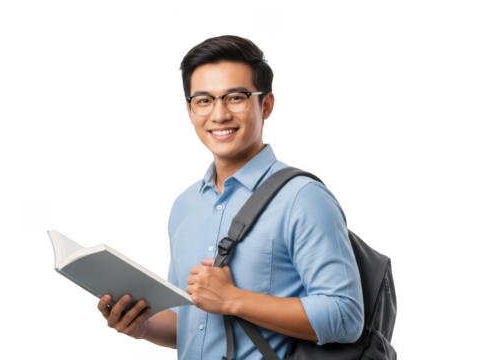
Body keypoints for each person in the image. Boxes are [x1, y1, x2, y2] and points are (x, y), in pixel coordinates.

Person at [97, 34, 364, 359]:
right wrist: (142, 326)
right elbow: (190, 320)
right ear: (190, 110)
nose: (219, 115)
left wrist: (233, 299)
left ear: (266, 104)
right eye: (204, 100)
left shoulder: (303, 198)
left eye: (235, 97)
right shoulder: (185, 204)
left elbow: (346, 316)